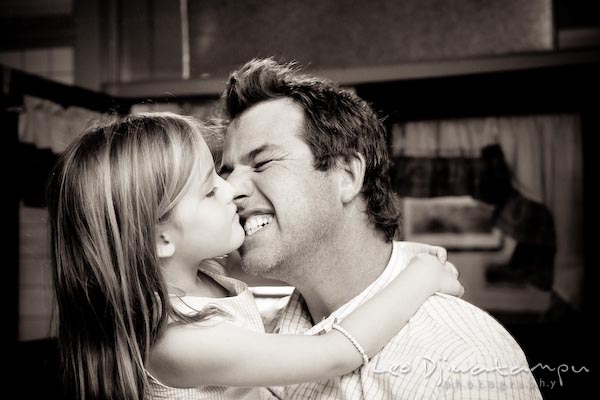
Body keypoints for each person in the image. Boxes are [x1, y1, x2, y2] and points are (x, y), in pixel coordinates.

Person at [47, 112, 463, 400]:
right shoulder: (175, 343)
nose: (231, 190)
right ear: (161, 240)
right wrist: (421, 277)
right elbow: (335, 353)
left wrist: (397, 256)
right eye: (210, 190)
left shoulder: (203, 278)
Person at [218, 58, 543, 399]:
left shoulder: (462, 360)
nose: (229, 189)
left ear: (347, 175)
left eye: (263, 162)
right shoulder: (248, 345)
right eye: (226, 173)